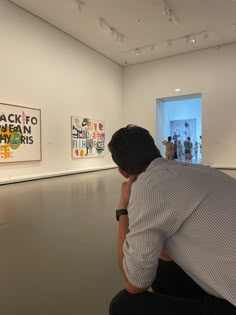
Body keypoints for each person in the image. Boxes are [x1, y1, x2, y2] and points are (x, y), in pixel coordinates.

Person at [108, 125, 236, 315]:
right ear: (155, 151)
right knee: (162, 268)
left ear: (123, 172)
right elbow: (166, 255)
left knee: (123, 305)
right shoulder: (195, 170)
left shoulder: (148, 186)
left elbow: (134, 283)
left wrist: (122, 211)